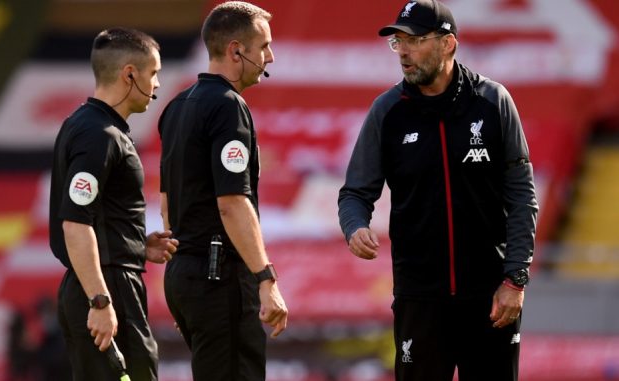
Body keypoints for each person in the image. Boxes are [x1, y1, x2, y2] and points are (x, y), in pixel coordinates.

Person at [337, 1, 538, 380]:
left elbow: (522, 196)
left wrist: (515, 279)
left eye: (413, 40)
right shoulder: (387, 111)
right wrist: (354, 226)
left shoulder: (493, 102)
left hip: (490, 297)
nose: (403, 53)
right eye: (397, 42)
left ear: (448, 44)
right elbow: (354, 193)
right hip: (419, 298)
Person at [157, 2, 288, 380]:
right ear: (235, 50)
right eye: (263, 47)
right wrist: (265, 279)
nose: (270, 57)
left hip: (186, 274)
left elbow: (167, 203)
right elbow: (232, 202)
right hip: (219, 277)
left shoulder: (177, 106)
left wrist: (183, 288)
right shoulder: (229, 107)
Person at [49, 27, 178, 381]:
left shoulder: (90, 126)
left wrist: (135, 246)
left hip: (108, 278)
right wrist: (100, 301)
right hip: (107, 288)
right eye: (153, 74)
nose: (157, 85)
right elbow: (75, 223)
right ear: (130, 74)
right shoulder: (98, 135)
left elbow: (97, 217)